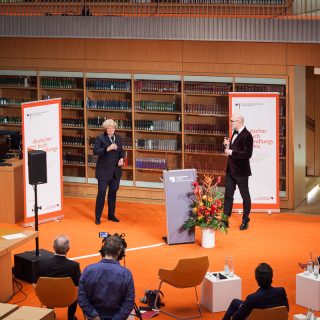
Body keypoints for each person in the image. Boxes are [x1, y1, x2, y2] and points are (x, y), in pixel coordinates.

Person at [78, 235, 135, 320]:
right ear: (120, 253)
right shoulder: (126, 274)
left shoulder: (87, 270)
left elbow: (81, 298)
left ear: (103, 251)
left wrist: (94, 315)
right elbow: (129, 302)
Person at [222, 263, 289, 320]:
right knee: (235, 302)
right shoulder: (281, 291)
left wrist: (241, 308)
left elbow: (236, 318)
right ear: (272, 277)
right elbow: (286, 310)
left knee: (235, 304)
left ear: (256, 279)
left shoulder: (252, 298)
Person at [37, 235, 81, 320]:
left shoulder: (42, 263)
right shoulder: (74, 266)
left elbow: (37, 281)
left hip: (47, 297)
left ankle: (50, 314)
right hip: (68, 299)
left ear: (53, 247)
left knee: (48, 287)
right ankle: (70, 317)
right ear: (68, 249)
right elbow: (78, 284)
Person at [223, 113, 253, 230]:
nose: (230, 123)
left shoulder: (247, 135)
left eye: (232, 121)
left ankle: (245, 220)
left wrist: (231, 152)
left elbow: (247, 154)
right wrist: (227, 146)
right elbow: (230, 151)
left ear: (239, 121)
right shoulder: (234, 133)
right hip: (230, 170)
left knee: (245, 196)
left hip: (241, 171)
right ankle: (225, 219)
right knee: (228, 195)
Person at [94, 119, 125, 225]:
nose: (111, 129)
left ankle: (111, 215)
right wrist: (107, 148)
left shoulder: (119, 138)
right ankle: (97, 217)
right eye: (108, 128)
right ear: (105, 129)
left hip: (115, 171)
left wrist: (122, 159)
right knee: (101, 193)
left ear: (115, 128)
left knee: (113, 193)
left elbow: (121, 151)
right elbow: (95, 151)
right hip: (103, 172)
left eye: (112, 127)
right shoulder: (100, 138)